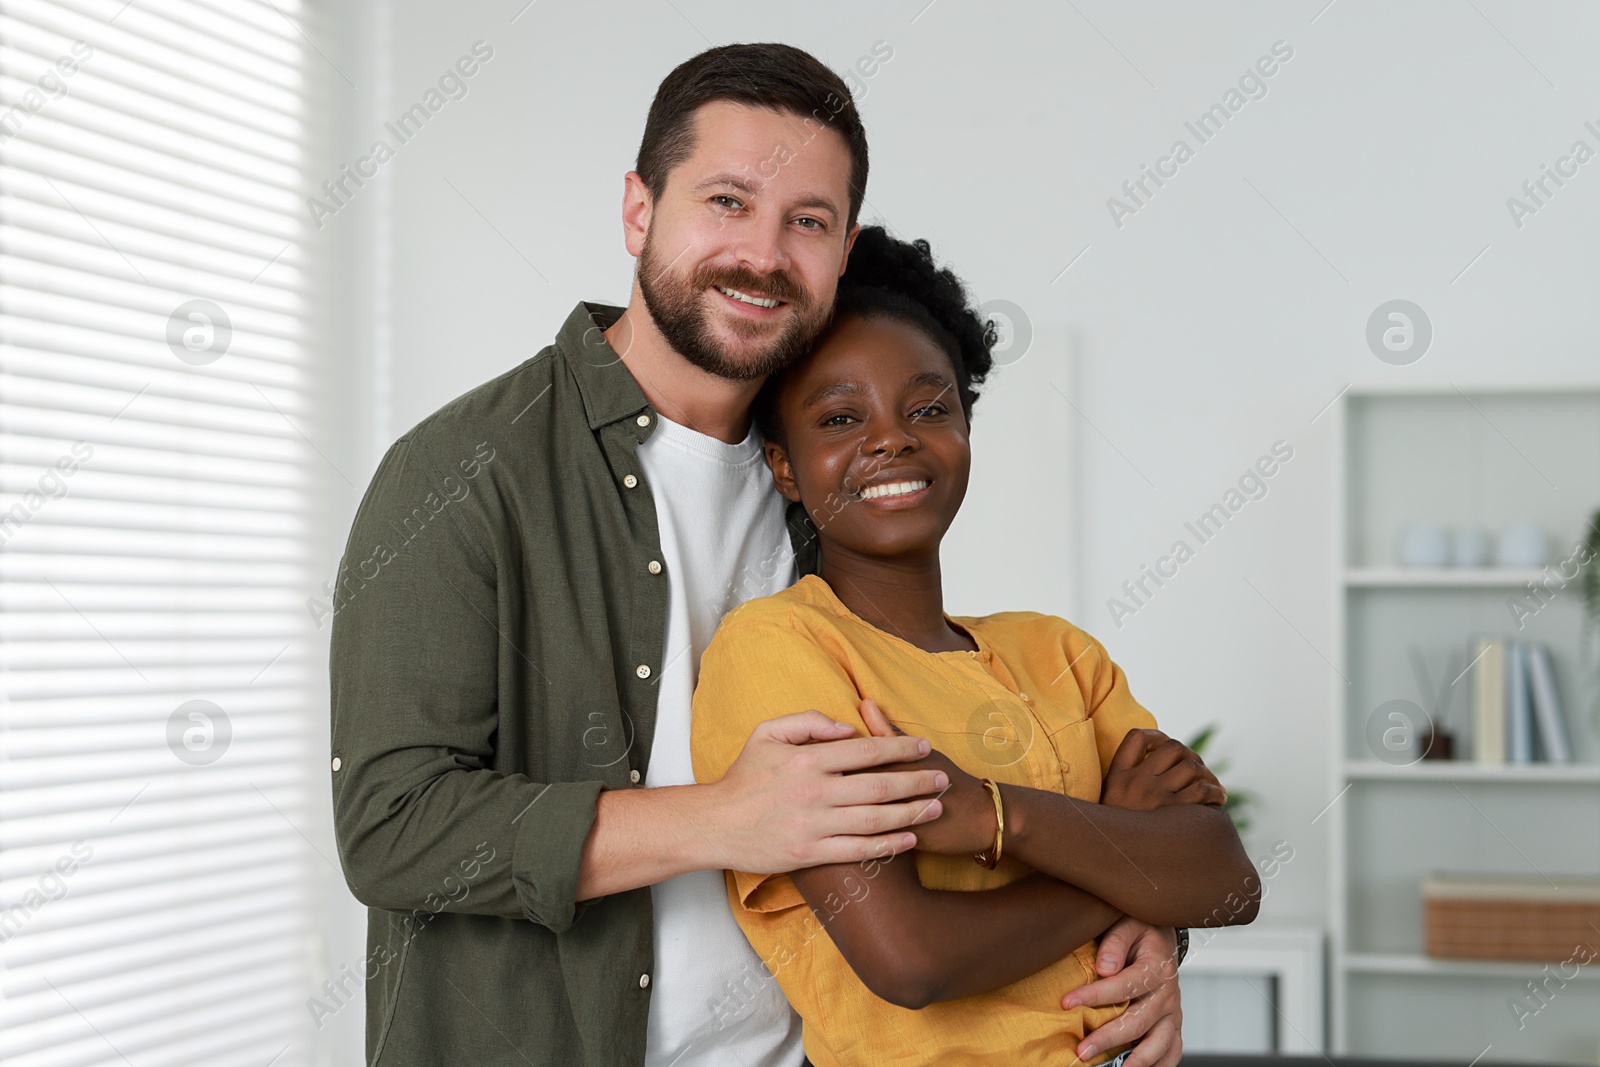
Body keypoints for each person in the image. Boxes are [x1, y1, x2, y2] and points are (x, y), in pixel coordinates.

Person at [329, 42, 1188, 1067]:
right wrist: (722, 818)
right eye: (726, 202)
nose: (762, 253)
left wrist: (1149, 931)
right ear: (638, 210)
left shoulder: (833, 486)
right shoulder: (463, 471)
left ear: (842, 246)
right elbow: (392, 827)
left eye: (806, 221)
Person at [690, 227, 1260, 1067]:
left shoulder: (1060, 653)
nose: (893, 438)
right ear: (783, 464)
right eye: (841, 417)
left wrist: (996, 814)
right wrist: (1125, 867)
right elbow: (913, 957)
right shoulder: (778, 649)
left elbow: (1227, 877)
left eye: (929, 407)